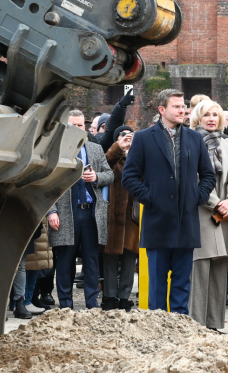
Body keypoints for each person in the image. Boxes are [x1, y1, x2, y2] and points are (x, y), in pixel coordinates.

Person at [122, 89, 216, 314]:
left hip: (186, 222)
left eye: (183, 106)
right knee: (156, 286)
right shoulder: (144, 138)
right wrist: (150, 198)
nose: (182, 110)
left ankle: (180, 329)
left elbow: (208, 175)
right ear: (162, 110)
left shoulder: (195, 137)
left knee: (182, 284)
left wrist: (197, 196)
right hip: (157, 221)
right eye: (176, 106)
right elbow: (129, 176)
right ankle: (158, 329)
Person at [48, 110, 114, 309]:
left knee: (92, 260)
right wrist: (51, 211)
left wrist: (96, 178)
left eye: (80, 125)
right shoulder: (55, 149)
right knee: (65, 260)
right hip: (66, 212)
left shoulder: (94, 149)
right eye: (72, 125)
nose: (77, 129)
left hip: (91, 212)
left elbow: (109, 175)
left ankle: (92, 304)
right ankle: (66, 305)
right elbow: (46, 183)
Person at [189, 100, 228, 330]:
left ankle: (213, 324)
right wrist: (216, 202)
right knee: (200, 269)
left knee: (220, 268)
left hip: (225, 216)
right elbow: (195, 178)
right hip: (202, 211)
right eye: (206, 115)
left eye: (215, 114)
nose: (211, 119)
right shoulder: (191, 140)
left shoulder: (225, 142)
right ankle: (197, 324)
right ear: (197, 118)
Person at [102, 125, 139, 311]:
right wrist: (119, 147)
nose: (127, 139)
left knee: (129, 259)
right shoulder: (113, 157)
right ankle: (109, 296)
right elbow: (106, 163)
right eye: (123, 136)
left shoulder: (139, 157)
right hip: (113, 217)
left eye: (130, 136)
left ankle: (124, 297)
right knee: (110, 259)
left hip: (132, 217)